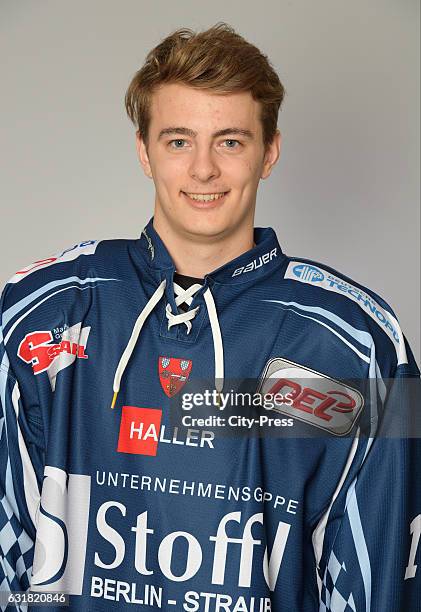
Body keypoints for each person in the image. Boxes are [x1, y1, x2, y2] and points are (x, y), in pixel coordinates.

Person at [0, 22, 419, 612]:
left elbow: (380, 582)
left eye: (230, 141)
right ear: (144, 151)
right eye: (178, 141)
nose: (203, 170)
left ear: (269, 152)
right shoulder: (43, 311)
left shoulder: (358, 346)